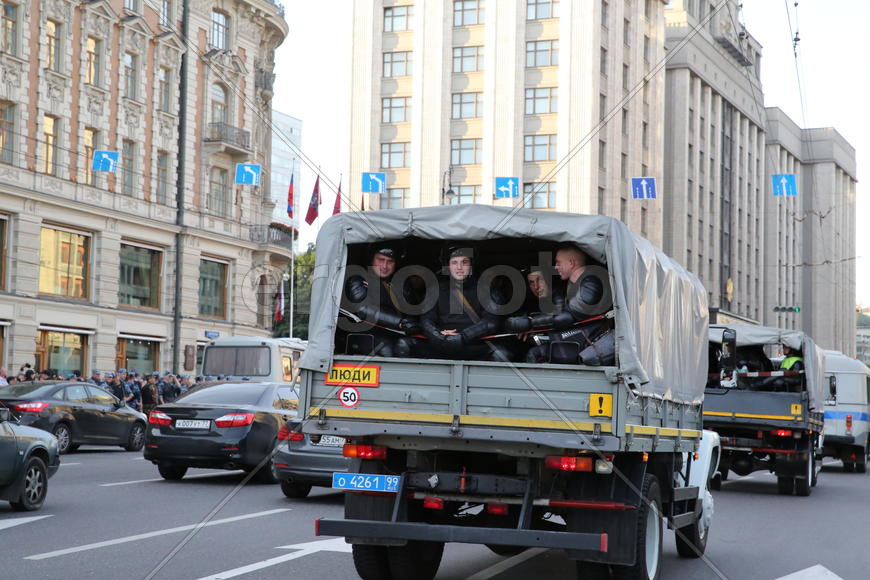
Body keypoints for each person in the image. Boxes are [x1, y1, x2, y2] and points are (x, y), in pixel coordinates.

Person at [506, 245, 614, 365]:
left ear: (571, 263)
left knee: (536, 353)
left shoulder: (591, 281)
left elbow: (567, 316)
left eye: (558, 262)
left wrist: (530, 323)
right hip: (582, 339)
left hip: (589, 342)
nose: (556, 267)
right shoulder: (574, 283)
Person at [399, 246, 509, 361]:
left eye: (464, 262)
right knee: (405, 344)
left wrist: (463, 337)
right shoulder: (435, 289)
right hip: (441, 345)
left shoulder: (487, 290)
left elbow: (490, 323)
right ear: (448, 266)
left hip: (473, 346)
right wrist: (437, 336)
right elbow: (426, 320)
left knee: (501, 354)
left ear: (471, 265)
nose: (459, 267)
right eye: (454, 262)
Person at [343, 245, 418, 357]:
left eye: (390, 261)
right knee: (390, 352)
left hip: (398, 334)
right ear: (371, 259)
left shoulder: (400, 283)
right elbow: (363, 309)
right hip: (368, 335)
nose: (385, 266)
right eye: (381, 260)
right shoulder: (358, 278)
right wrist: (399, 322)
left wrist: (413, 324)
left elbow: (413, 309)